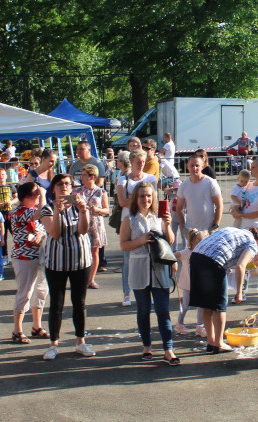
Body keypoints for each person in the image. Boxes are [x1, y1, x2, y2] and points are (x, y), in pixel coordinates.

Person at [119, 181, 180, 365]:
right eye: (142, 196)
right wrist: (141, 240)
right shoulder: (129, 219)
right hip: (138, 268)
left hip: (159, 268)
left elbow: (169, 241)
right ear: (135, 199)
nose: (145, 199)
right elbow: (124, 245)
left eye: (148, 196)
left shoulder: (159, 217)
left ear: (153, 197)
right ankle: (147, 346)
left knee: (163, 310)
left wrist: (167, 225)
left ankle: (168, 349)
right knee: (143, 310)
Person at [40, 174, 96, 360]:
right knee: (56, 302)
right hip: (57, 261)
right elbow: (54, 233)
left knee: (79, 302)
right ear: (54, 188)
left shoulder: (79, 206)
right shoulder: (47, 209)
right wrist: (57, 211)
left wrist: (83, 211)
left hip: (80, 260)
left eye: (67, 184)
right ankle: (54, 343)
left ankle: (80, 341)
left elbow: (82, 230)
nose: (64, 187)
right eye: (60, 184)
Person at [188, 227, 258, 353]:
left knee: (207, 304)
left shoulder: (233, 230)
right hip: (214, 261)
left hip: (196, 256)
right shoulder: (252, 243)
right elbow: (240, 266)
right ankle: (219, 343)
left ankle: (211, 342)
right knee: (219, 306)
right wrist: (239, 292)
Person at [10, 181, 49, 343]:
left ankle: (36, 326)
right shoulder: (19, 211)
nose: (38, 196)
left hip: (40, 256)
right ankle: (17, 330)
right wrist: (44, 195)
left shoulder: (33, 210)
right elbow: (41, 213)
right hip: (24, 258)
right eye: (35, 194)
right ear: (26, 197)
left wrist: (42, 235)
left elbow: (44, 226)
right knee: (25, 293)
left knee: (41, 291)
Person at [117, 149, 158, 305]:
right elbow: (122, 201)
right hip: (128, 220)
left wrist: (133, 199)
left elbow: (152, 201)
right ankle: (127, 293)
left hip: (148, 220)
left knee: (151, 256)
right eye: (137, 162)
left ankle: (151, 290)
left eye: (143, 162)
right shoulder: (123, 179)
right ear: (131, 163)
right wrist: (141, 202)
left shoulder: (151, 178)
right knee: (128, 258)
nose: (140, 165)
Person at [75, 164, 109, 290]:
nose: (82, 178)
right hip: (81, 222)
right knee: (80, 251)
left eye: (84, 175)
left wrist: (97, 209)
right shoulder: (77, 191)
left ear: (92, 177)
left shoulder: (101, 192)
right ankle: (80, 277)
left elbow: (107, 210)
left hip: (95, 223)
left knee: (94, 252)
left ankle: (91, 279)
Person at [174, 155, 222, 236]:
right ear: (187, 166)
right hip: (191, 231)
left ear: (202, 167)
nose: (194, 168)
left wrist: (215, 225)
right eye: (192, 165)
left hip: (208, 230)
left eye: (197, 165)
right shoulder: (183, 185)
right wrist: (184, 227)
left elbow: (219, 205)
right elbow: (179, 208)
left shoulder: (210, 183)